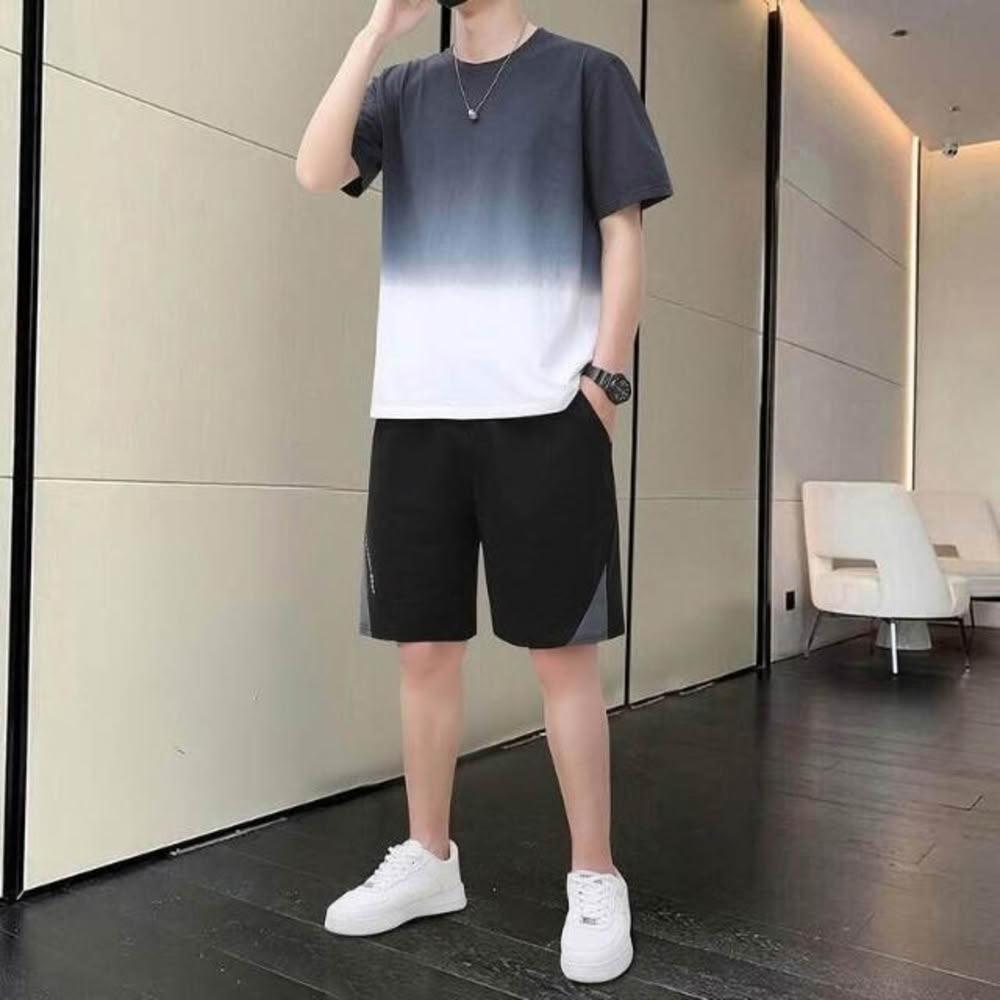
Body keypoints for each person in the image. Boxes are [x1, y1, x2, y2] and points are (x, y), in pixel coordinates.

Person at [295, 0, 672, 984]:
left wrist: (605, 382)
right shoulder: (402, 89)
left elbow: (624, 234)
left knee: (562, 656)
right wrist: (373, 32)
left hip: (547, 410)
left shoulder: (587, 75)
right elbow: (316, 169)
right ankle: (430, 857)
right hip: (417, 413)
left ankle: (594, 874)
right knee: (423, 649)